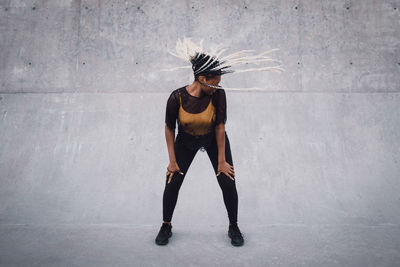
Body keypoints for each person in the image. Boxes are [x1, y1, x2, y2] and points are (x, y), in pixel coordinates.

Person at [155, 37, 283, 246]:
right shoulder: (176, 97)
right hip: (185, 141)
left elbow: (220, 127)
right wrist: (172, 160)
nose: (217, 86)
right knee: (172, 181)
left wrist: (222, 161)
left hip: (214, 140)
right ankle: (166, 225)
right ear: (202, 77)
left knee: (227, 181)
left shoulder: (218, 95)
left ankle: (234, 226)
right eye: (214, 82)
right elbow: (169, 128)